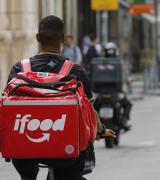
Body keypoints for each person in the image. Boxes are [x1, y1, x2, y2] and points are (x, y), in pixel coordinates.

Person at [7, 15, 115, 180]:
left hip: (25, 150)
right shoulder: (75, 71)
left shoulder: (19, 68)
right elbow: (89, 109)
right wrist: (100, 131)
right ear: (63, 39)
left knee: (27, 175)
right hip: (66, 152)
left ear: (38, 38)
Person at [104, 42, 132, 131]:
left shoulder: (99, 63)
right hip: (115, 93)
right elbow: (126, 76)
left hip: (101, 93)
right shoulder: (120, 64)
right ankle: (124, 121)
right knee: (128, 104)